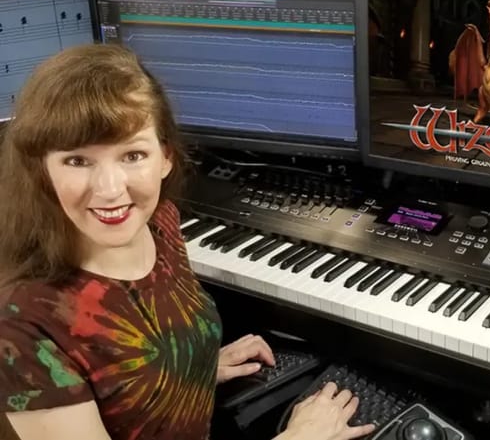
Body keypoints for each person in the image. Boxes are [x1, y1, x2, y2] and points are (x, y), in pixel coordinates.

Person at [0, 44, 376, 440]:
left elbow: (138, 360)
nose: (110, 189)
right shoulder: (21, 327)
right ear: (41, 169)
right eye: (78, 161)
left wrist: (190, 371)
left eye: (133, 155)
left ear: (165, 157)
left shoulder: (159, 222)